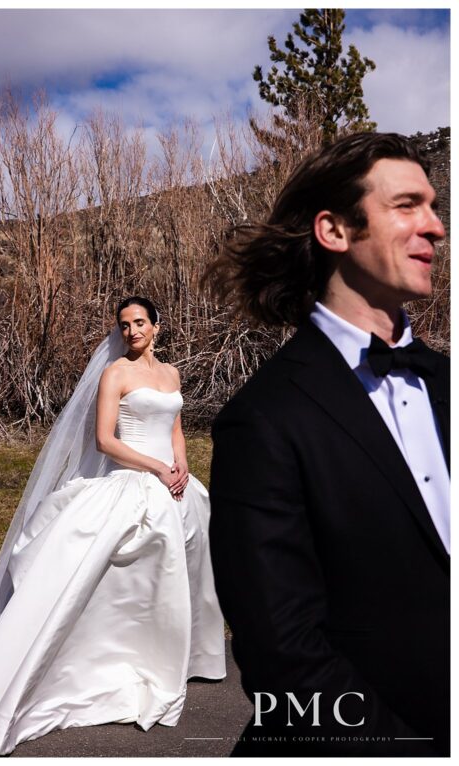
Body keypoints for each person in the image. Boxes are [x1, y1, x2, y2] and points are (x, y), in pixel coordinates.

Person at [206, 132, 449, 756]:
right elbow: (283, 657)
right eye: (408, 206)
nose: (437, 227)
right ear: (335, 231)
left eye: (434, 205)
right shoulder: (261, 420)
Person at [0, 297, 226, 755]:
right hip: (133, 480)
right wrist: (156, 469)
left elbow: (175, 426)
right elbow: (105, 440)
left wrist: (180, 465)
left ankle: (180, 654)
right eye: (124, 324)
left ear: (156, 326)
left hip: (176, 484)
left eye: (140, 322)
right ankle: (110, 662)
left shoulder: (171, 373)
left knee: (188, 566)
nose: (132, 330)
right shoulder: (115, 373)